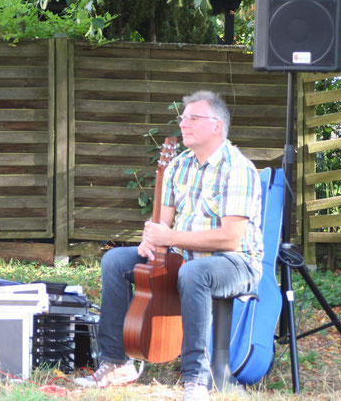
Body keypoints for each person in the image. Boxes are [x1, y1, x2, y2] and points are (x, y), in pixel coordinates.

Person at [74, 91, 264, 401]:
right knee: (115, 261)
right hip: (183, 256)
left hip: (235, 262)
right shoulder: (178, 165)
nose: (183, 124)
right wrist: (151, 241)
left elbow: (230, 238)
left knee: (194, 274)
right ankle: (117, 362)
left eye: (192, 118)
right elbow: (162, 223)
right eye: (182, 118)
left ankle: (195, 380)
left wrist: (170, 238)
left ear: (217, 126)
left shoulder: (237, 168)